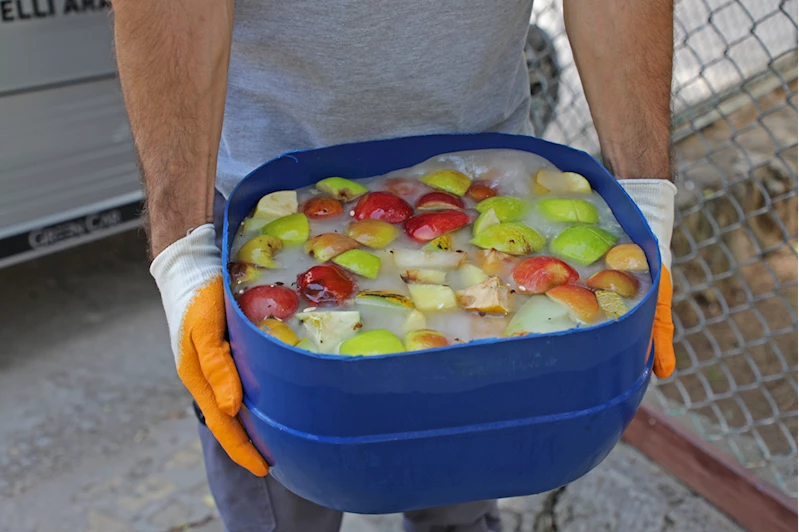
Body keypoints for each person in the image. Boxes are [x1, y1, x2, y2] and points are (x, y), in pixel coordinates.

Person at [112, 2, 677, 531]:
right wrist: (182, 250)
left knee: (466, 474)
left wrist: (649, 199)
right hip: (254, 197)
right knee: (277, 489)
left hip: (490, 186)